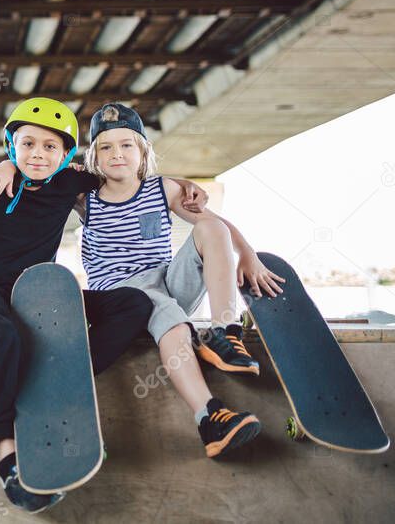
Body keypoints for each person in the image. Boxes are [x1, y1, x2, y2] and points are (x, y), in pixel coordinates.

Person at [0, 97, 207, 513]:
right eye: (27, 145)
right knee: (2, 337)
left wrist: (182, 184)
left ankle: (63, 375)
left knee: (132, 303)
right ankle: (7, 456)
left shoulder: (72, 182)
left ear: (65, 155)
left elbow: (124, 171)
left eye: (49, 147)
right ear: (12, 146)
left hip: (40, 294)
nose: (38, 154)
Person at [79, 102, 284, 459]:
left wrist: (247, 254)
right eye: (106, 147)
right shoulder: (85, 199)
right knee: (173, 324)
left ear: (143, 150)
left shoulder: (163, 189)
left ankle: (224, 331)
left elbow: (218, 224)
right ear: (94, 156)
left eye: (127, 145)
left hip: (169, 283)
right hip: (124, 297)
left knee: (211, 227)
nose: (117, 154)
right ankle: (209, 416)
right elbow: (41, 176)